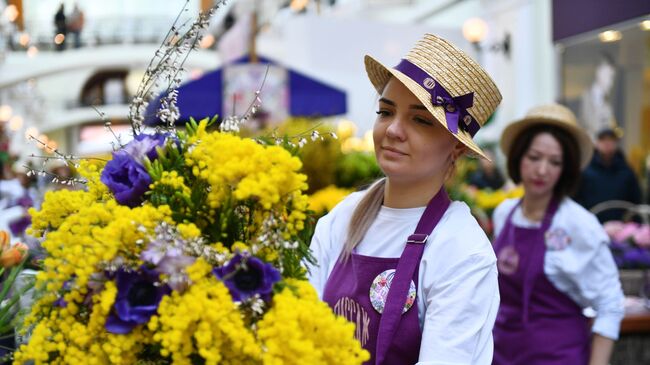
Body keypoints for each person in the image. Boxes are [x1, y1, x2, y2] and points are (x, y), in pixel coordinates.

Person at [307, 34, 502, 364]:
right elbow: (297, 325)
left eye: (420, 119)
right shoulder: (342, 217)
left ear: (456, 147)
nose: (393, 130)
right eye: (386, 112)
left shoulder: (461, 249)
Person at [492, 104, 625, 365]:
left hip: (558, 356)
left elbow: (610, 303)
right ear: (518, 157)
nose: (542, 170)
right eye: (534, 157)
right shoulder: (504, 213)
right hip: (500, 354)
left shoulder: (579, 224)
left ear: (566, 169)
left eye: (554, 162)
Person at [574, 128, 642, 222]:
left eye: (611, 140)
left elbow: (635, 202)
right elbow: (576, 201)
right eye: (603, 140)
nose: (607, 143)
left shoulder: (627, 172)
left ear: (616, 144)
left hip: (621, 229)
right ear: (597, 143)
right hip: (591, 226)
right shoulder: (585, 171)